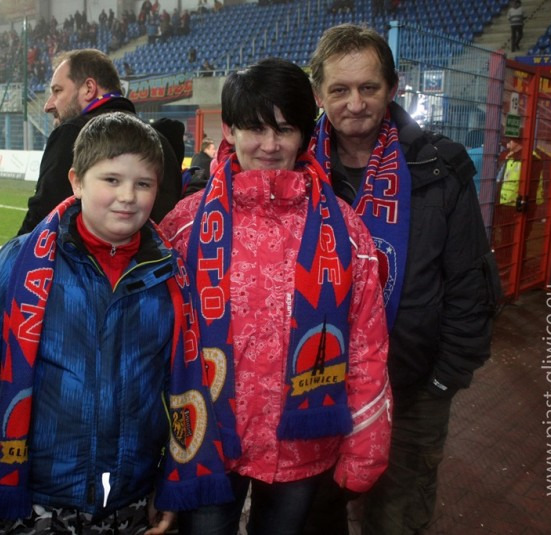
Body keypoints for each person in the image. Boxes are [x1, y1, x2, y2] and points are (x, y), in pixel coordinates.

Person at [0, 112, 230, 535]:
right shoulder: (20, 263)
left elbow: (181, 391)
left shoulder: (171, 276)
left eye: (143, 184)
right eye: (111, 180)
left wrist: (167, 482)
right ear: (77, 181)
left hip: (133, 499)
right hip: (31, 499)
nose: (127, 197)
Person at [158, 58, 392, 535]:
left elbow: (366, 344)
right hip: (207, 440)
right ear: (229, 130)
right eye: (255, 128)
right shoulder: (184, 225)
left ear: (303, 135)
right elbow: (153, 339)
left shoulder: (346, 230)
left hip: (301, 444)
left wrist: (367, 444)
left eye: (284, 130)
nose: (269, 145)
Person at [306, 24, 501, 534]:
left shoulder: (440, 166)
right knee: (317, 517)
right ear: (318, 94)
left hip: (411, 392)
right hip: (314, 389)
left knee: (396, 519)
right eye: (339, 89)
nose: (355, 104)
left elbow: (470, 283)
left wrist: (442, 381)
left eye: (368, 87)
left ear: (392, 88)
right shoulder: (296, 168)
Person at [16, 49, 183, 236]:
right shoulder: (162, 141)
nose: (48, 105)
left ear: (89, 88)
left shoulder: (73, 134)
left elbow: (42, 223)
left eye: (57, 91)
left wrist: (13, 253)